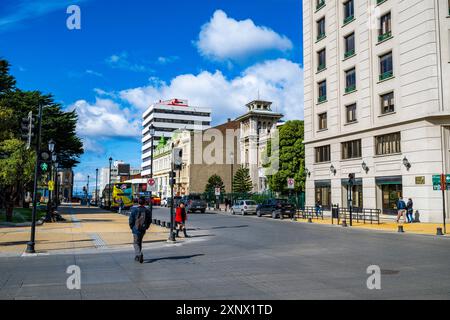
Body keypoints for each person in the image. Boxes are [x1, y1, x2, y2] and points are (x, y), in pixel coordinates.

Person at [129, 197, 152, 263]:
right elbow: (149, 220)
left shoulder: (134, 210)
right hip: (143, 229)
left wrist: (132, 227)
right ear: (144, 203)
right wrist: (146, 227)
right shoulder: (147, 210)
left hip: (136, 229)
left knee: (135, 243)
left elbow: (131, 220)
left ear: (138, 202)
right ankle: (137, 256)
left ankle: (139, 254)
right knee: (139, 242)